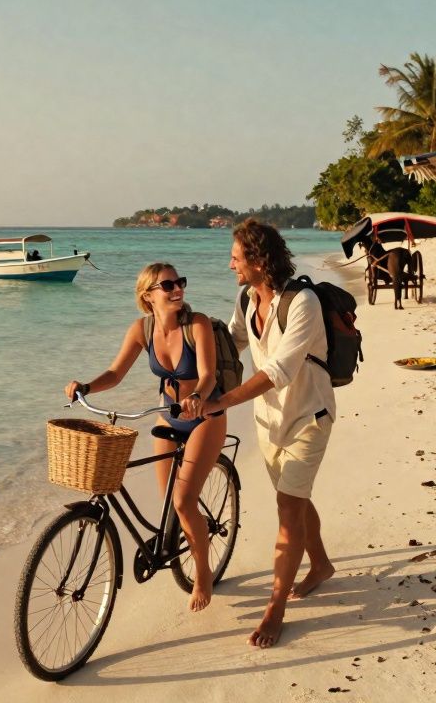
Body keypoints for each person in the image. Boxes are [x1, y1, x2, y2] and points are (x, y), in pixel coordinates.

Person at [194, 218, 336, 648]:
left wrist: (222, 402)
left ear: (258, 259)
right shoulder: (246, 297)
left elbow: (279, 370)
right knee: (294, 499)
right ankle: (322, 566)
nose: (230, 264)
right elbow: (233, 344)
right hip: (267, 421)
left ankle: (275, 608)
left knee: (288, 508)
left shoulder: (303, 302)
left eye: (236, 257)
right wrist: (191, 366)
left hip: (309, 417)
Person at [65, 262, 228, 612]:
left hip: (205, 417)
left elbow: (209, 375)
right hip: (167, 418)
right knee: (171, 501)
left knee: (184, 502)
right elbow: (116, 372)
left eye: (179, 282)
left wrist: (197, 396)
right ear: (148, 295)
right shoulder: (142, 329)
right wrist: (86, 386)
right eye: (167, 285)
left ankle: (202, 576)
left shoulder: (196, 324)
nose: (177, 289)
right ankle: (180, 538)